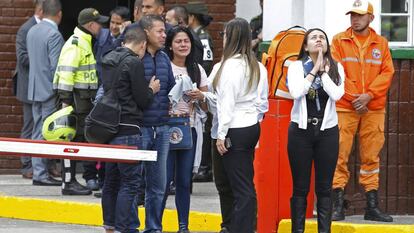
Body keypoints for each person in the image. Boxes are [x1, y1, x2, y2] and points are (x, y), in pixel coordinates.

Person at [331, 0, 394, 222]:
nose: (354, 19)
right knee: (338, 155)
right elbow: (335, 72)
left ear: (371, 18)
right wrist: (356, 98)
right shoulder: (339, 40)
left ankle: (372, 207)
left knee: (371, 157)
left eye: (359, 15)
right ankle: (336, 205)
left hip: (373, 108)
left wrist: (368, 96)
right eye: (352, 15)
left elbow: (387, 73)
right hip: (346, 107)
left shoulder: (382, 43)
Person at [210, 18, 268, 233]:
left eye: (224, 34)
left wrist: (221, 134)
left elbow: (227, 104)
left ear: (231, 37)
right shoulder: (258, 66)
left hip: (233, 127)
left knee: (240, 187)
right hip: (250, 126)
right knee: (242, 183)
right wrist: (254, 121)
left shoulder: (229, 67)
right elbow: (263, 103)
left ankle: (241, 229)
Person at [101, 27, 160, 233]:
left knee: (111, 180)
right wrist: (151, 90)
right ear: (143, 45)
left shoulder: (108, 57)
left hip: (108, 128)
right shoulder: (133, 61)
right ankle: (123, 228)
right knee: (130, 182)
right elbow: (141, 99)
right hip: (128, 128)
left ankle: (109, 226)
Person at [287, 28, 345, 233]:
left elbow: (337, 94)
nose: (319, 40)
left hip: (327, 131)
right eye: (314, 37)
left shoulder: (337, 67)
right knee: (300, 187)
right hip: (300, 132)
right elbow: (296, 92)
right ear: (305, 46)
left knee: (324, 187)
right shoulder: (295, 66)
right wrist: (313, 71)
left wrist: (324, 72)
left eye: (322, 37)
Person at [53, 8, 109, 195]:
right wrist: (65, 104)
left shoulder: (84, 42)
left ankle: (70, 182)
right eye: (99, 23)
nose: (101, 26)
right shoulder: (76, 44)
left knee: (77, 140)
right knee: (70, 140)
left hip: (82, 102)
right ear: (91, 25)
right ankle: (68, 183)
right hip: (75, 103)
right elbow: (67, 75)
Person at [162, 26, 208, 233]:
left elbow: (208, 105)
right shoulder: (163, 66)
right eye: (179, 41)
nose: (183, 45)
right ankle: (156, 224)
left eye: (186, 41)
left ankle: (183, 227)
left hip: (189, 129)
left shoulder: (197, 69)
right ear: (170, 45)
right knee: (163, 181)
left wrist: (201, 97)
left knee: (183, 181)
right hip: (165, 129)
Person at [138, 15, 176, 233]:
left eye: (165, 31)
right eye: (160, 31)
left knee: (158, 186)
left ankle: (153, 228)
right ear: (146, 32)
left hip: (162, 128)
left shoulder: (163, 58)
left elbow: (170, 87)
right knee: (134, 183)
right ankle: (130, 226)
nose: (164, 35)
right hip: (140, 129)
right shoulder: (135, 57)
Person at [26, 0, 64, 187]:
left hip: (34, 88)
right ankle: (41, 174)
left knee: (36, 131)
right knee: (44, 132)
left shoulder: (32, 30)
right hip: (48, 90)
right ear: (59, 14)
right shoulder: (54, 34)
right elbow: (55, 67)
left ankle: (39, 171)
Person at [186, 1, 215, 183]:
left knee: (203, 127)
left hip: (201, 86)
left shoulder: (202, 36)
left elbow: (207, 62)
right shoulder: (195, 35)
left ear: (192, 17)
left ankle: (204, 167)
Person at [14, 0, 44, 180]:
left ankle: (43, 163)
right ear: (41, 10)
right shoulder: (26, 29)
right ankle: (26, 166)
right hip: (28, 87)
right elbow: (22, 59)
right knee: (29, 125)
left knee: (41, 126)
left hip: (40, 86)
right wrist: (43, 59)